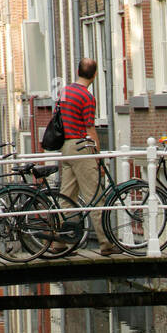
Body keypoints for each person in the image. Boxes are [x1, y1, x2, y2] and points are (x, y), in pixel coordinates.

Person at [49, 58, 113, 256]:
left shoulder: (65, 92)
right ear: (94, 75)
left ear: (77, 71)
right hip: (80, 147)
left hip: (66, 148)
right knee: (95, 196)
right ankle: (106, 243)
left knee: (66, 197)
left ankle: (60, 242)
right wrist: (97, 155)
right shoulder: (87, 97)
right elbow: (89, 128)